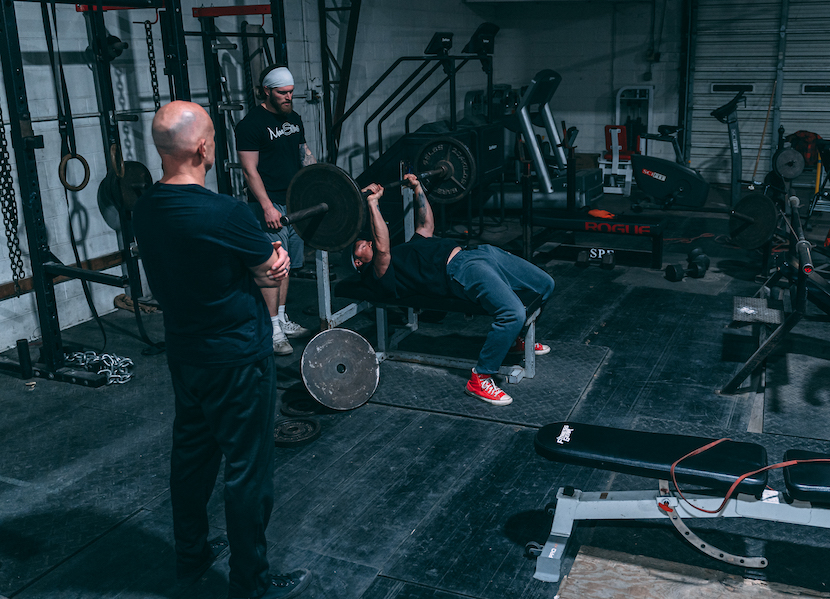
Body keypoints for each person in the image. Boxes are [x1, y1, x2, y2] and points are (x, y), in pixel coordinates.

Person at [133, 101, 311, 598]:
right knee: (248, 471)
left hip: (186, 355)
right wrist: (272, 257)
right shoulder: (226, 213)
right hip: (237, 360)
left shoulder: (145, 207)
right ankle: (250, 584)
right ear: (202, 148)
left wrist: (263, 262)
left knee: (191, 460)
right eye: (212, 137)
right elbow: (269, 273)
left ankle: (191, 558)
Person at [352, 174, 555, 406]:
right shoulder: (380, 273)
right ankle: (480, 378)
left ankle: (514, 339)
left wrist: (418, 188)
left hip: (481, 252)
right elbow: (382, 248)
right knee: (513, 313)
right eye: (361, 245)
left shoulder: (407, 248)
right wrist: (372, 203)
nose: (367, 242)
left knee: (545, 284)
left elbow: (426, 225)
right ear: (358, 262)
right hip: (463, 269)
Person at [236, 65, 316, 356]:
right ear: (267, 91)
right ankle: (272, 330)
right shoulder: (251, 125)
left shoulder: (294, 118)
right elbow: (250, 171)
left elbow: (305, 156)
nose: (288, 97)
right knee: (272, 268)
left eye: (291, 92)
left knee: (288, 266)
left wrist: (318, 186)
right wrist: (267, 207)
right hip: (268, 205)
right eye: (282, 93)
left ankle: (281, 318)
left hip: (295, 202)